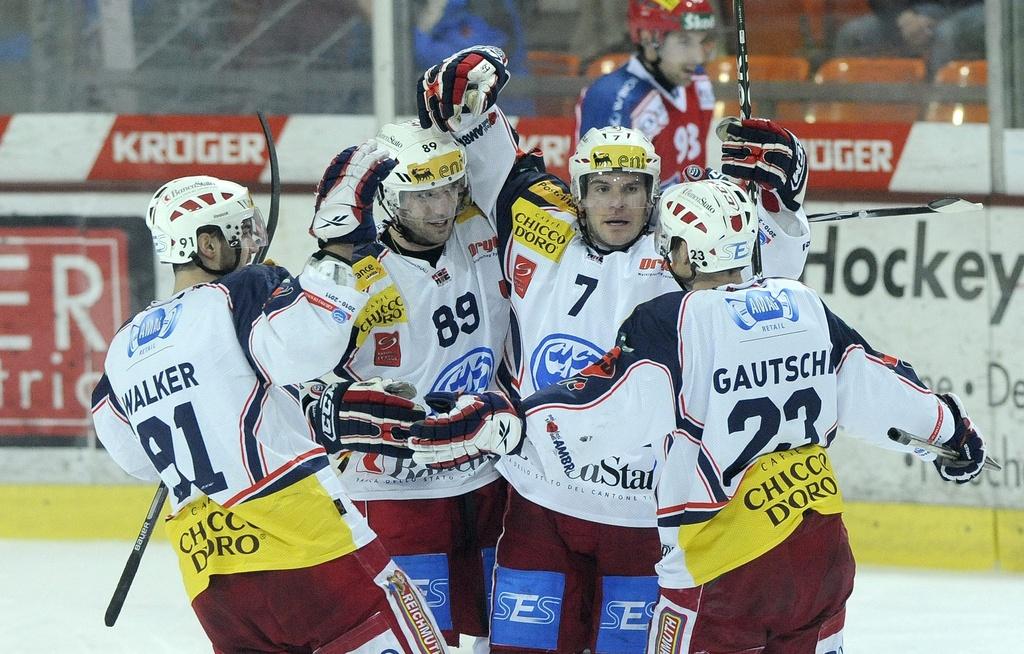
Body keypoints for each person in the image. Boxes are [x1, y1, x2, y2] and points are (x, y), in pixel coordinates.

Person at [401, 177, 990, 653]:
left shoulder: (672, 320)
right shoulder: (803, 303)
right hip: (821, 553)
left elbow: (608, 412)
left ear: (682, 250)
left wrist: (516, 422)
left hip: (723, 565)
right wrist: (952, 435)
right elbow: (880, 387)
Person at [405, 45, 811, 653]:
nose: (616, 202)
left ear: (655, 193)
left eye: (631, 188)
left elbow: (767, 270)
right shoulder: (538, 229)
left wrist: (779, 208)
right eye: (601, 188)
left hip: (642, 515)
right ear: (578, 191)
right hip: (539, 500)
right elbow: (487, 148)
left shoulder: (681, 255)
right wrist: (464, 102)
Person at [90, 175, 448, 654]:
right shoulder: (243, 291)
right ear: (208, 245)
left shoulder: (121, 348)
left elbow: (134, 457)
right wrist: (340, 254)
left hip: (212, 578)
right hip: (309, 549)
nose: (257, 242)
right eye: (244, 231)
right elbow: (310, 344)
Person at [305, 121, 510, 653]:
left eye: (448, 190)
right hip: (395, 488)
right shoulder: (353, 275)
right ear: (390, 200)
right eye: (422, 197)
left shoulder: (482, 230)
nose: (441, 208)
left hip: (490, 475)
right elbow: (302, 374)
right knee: (419, 641)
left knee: (504, 638)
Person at [576, 0, 718, 186]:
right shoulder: (613, 98)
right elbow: (605, 199)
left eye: (701, 41)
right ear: (648, 38)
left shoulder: (698, 82)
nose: (699, 57)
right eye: (684, 42)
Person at [834, 1, 984, 74]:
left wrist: (931, 19)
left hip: (973, 9)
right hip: (909, 11)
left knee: (945, 34)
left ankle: (938, 115)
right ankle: (843, 120)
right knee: (853, 35)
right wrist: (901, 15)